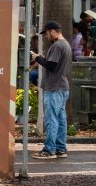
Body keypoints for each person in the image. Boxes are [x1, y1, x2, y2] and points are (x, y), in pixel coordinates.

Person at [31, 21, 73, 158]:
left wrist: (38, 58)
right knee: (61, 119)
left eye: (47, 33)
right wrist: (42, 58)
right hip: (62, 87)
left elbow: (52, 66)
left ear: (52, 31)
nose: (46, 36)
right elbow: (54, 63)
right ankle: (61, 148)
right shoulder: (66, 44)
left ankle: (49, 150)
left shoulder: (57, 45)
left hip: (54, 88)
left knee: (51, 119)